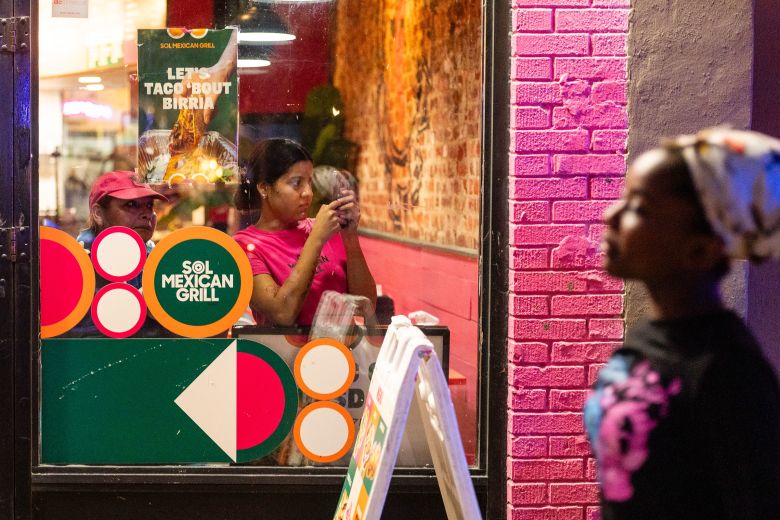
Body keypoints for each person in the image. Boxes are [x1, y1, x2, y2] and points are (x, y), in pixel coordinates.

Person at [584, 128, 780, 519]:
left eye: (638, 208)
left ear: (700, 249)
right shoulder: (652, 337)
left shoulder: (728, 371)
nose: (611, 215)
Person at [233, 138, 377, 326]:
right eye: (296, 183)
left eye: (309, 182)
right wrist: (316, 239)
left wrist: (350, 237)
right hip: (283, 354)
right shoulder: (244, 246)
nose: (308, 193)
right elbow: (282, 314)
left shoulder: (324, 228)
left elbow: (367, 304)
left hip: (340, 352)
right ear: (264, 188)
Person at [66, 170, 168, 337]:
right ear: (98, 213)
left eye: (149, 205)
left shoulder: (156, 257)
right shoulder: (79, 264)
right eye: (131, 205)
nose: (146, 214)